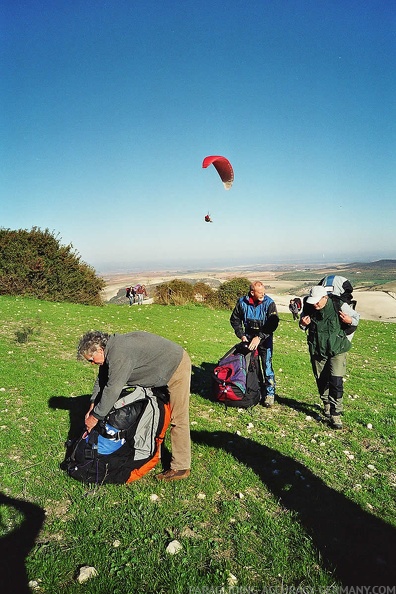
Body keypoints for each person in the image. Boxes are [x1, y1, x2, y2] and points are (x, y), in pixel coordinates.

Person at [77, 330, 191, 481]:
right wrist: (93, 405)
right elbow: (102, 378)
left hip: (175, 365)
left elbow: (113, 389)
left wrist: (95, 417)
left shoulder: (119, 353)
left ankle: (181, 467)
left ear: (99, 349)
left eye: (91, 359)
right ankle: (149, 448)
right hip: (157, 368)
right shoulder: (110, 349)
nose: (92, 363)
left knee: (178, 417)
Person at [299, 285, 360, 429]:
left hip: (337, 348)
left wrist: (349, 320)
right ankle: (326, 403)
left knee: (336, 380)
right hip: (317, 348)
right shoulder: (309, 307)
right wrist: (302, 324)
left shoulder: (339, 304)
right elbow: (302, 325)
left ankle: (335, 413)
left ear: (325, 297)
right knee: (321, 379)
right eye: (313, 301)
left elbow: (356, 319)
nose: (315, 304)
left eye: (318, 301)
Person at [230, 281, 279, 407]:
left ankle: (270, 394)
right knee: (253, 366)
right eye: (260, 292)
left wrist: (260, 337)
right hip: (249, 339)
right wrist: (241, 334)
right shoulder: (242, 302)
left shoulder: (269, 303)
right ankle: (257, 390)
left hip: (265, 339)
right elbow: (235, 319)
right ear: (252, 292)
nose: (263, 293)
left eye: (263, 290)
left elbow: (273, 323)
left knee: (267, 366)